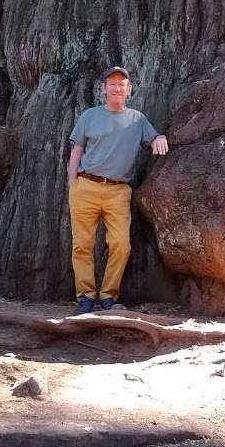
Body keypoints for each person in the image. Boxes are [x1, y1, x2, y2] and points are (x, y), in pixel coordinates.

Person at [67, 66, 168, 313]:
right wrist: (73, 184)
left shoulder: (137, 119)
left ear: (129, 89)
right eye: (111, 84)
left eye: (121, 84)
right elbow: (76, 152)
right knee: (82, 245)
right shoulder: (89, 116)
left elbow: (153, 139)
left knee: (121, 245)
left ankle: (108, 296)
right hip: (86, 186)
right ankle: (86, 297)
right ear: (104, 89)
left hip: (118, 191)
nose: (116, 88)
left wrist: (159, 138)